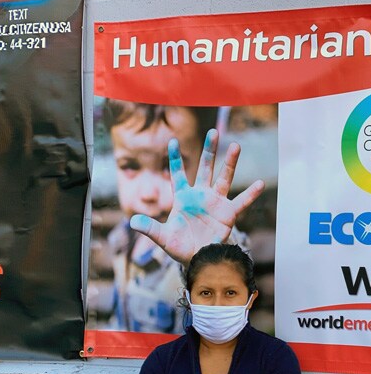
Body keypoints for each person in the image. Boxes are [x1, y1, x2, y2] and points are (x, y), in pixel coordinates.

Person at [132, 243, 303, 374]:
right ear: (189, 297)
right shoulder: (162, 362)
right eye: (206, 293)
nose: (217, 304)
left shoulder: (275, 358)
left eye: (230, 293)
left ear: (251, 299)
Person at [101, 100, 260, 333]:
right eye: (130, 165)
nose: (148, 193)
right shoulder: (123, 239)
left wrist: (205, 257)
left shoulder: (205, 238)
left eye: (167, 167)